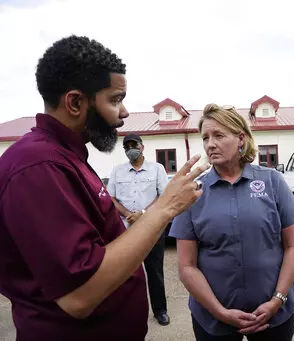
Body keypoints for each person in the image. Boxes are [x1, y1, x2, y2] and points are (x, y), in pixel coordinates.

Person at [0, 35, 207, 341]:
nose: (123, 113)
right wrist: (166, 207)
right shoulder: (38, 166)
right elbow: (79, 296)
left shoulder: (65, 156)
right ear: (75, 102)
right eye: (114, 99)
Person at [170, 104, 294, 341]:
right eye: (205, 138)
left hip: (274, 315)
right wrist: (220, 312)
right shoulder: (192, 192)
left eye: (219, 135)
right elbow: (186, 266)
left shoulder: (272, 181)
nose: (210, 144)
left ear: (241, 138)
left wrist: (277, 300)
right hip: (212, 319)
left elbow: (293, 247)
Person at [107, 134, 170, 326]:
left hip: (152, 229)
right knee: (126, 274)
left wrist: (142, 213)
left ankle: (160, 311)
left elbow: (164, 195)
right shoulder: (118, 171)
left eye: (133, 145)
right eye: (126, 147)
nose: (130, 149)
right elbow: (111, 198)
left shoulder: (157, 169)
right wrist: (127, 213)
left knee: (155, 272)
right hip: (125, 230)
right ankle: (128, 312)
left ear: (142, 147)